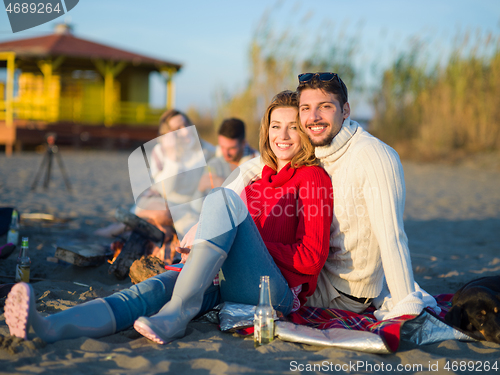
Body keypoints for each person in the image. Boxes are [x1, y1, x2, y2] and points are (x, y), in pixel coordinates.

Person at [5, 90, 333, 345]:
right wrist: (213, 242)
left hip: (275, 293)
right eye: (276, 126)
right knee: (146, 292)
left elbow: (311, 260)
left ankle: (177, 315)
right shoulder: (257, 179)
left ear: (305, 132)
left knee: (221, 197)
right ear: (266, 130)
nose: (283, 136)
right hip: (228, 279)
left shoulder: (312, 178)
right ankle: (48, 326)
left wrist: (232, 240)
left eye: (293, 127)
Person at [213, 73, 438, 321]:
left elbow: (392, 236)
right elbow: (261, 162)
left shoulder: (373, 155)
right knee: (215, 268)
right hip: (314, 276)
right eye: (306, 109)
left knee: (222, 273)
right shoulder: (319, 145)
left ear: (345, 111)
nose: (314, 117)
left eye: (325, 107)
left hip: (341, 293)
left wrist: (405, 303)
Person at [95, 109, 216, 260]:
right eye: (178, 128)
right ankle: (121, 227)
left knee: (175, 230)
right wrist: (173, 156)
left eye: (186, 125)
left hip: (186, 208)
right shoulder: (161, 151)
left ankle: (127, 227)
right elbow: (166, 188)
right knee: (163, 215)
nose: (185, 131)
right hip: (160, 201)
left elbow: (227, 156)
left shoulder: (205, 149)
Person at [198, 118, 259, 193]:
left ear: (243, 143)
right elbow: (196, 202)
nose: (226, 153)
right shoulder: (214, 163)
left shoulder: (258, 167)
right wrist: (200, 188)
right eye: (222, 147)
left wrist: (224, 185)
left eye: (231, 148)